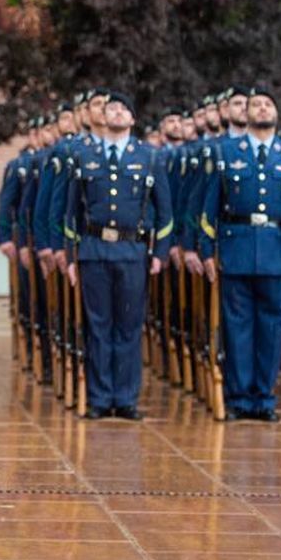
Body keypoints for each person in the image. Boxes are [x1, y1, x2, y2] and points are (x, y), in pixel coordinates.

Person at [200, 87, 281, 421]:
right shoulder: (225, 151)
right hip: (236, 250)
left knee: (271, 329)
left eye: (268, 104)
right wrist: (207, 250)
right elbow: (211, 207)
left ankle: (263, 398)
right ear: (245, 114)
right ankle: (239, 398)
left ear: (277, 113)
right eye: (256, 105)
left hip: (277, 252)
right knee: (237, 328)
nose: (262, 108)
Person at [63, 91, 172, 419]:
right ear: (102, 117)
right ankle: (99, 398)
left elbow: (164, 212)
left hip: (132, 251)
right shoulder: (84, 157)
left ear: (133, 119)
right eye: (112, 109)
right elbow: (72, 213)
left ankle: (125, 398)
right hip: (95, 251)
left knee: (128, 326)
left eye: (124, 109)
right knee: (98, 326)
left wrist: (159, 253)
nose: (117, 113)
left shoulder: (149, 157)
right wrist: (70, 257)